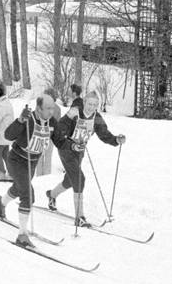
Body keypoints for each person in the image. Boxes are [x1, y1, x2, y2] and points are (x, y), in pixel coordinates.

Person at [46, 91, 125, 227]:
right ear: (84, 102)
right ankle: (79, 217)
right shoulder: (75, 113)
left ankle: (52, 195)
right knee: (79, 179)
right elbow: (60, 129)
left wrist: (116, 140)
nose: (91, 107)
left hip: (79, 151)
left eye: (95, 105)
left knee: (70, 180)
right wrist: (69, 119)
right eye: (89, 103)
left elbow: (104, 134)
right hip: (67, 148)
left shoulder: (97, 118)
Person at [0, 95, 57, 247]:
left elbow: (60, 139)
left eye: (53, 108)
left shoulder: (52, 122)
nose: (51, 112)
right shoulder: (28, 118)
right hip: (17, 159)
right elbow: (8, 135)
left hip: (32, 162)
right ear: (38, 108)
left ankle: (1, 203)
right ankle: (22, 235)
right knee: (28, 194)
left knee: (19, 188)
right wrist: (20, 121)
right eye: (48, 108)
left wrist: (72, 146)